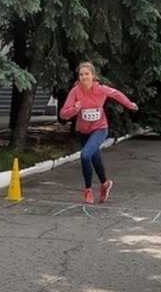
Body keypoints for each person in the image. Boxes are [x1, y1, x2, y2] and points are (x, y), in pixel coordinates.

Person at [59, 61, 138, 203]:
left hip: (100, 128)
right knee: (95, 159)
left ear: (93, 75)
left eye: (87, 74)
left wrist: (129, 104)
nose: (84, 77)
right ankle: (105, 184)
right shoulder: (75, 91)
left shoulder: (100, 89)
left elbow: (117, 94)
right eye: (81, 74)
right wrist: (74, 109)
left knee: (85, 156)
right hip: (83, 131)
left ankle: (88, 190)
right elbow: (63, 114)